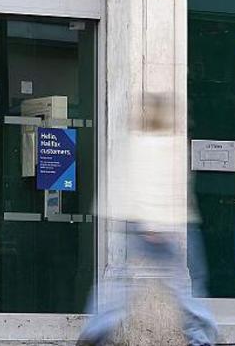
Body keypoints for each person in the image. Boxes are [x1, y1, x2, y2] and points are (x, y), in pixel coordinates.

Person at [78, 93, 218, 346]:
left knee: (119, 283)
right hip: (162, 225)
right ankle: (200, 338)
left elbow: (118, 183)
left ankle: (96, 329)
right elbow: (158, 185)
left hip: (132, 222)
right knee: (187, 283)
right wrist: (153, 226)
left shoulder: (131, 142)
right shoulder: (167, 145)